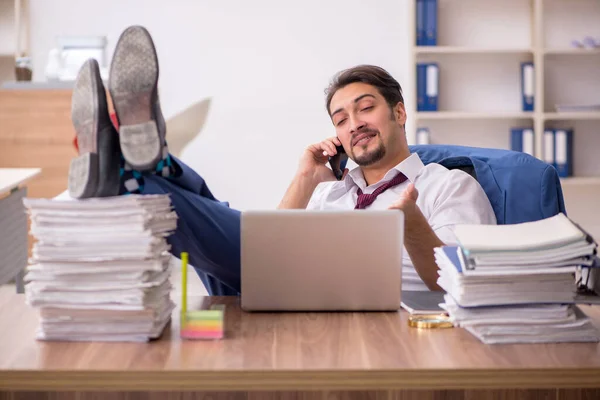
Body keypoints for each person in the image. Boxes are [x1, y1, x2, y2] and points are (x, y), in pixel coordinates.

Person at [68, 25, 496, 296]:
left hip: (387, 322)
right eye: (341, 118)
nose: (354, 125)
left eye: (366, 108)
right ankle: (144, 167)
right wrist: (305, 179)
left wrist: (413, 223)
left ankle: (133, 169)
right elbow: (270, 249)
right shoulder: (332, 193)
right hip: (290, 298)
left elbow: (463, 286)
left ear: (399, 113)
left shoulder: (450, 186)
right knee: (225, 223)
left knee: (208, 226)